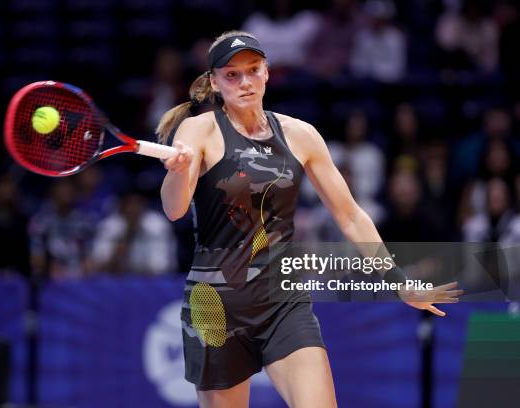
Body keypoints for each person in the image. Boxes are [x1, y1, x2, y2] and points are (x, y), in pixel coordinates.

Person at [157, 31, 461, 407]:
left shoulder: (301, 135)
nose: (245, 82)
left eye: (253, 70)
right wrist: (177, 171)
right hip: (216, 304)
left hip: (281, 301)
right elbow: (174, 208)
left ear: (267, 72)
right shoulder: (197, 130)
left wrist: (397, 281)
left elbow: (350, 215)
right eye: (232, 74)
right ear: (215, 81)